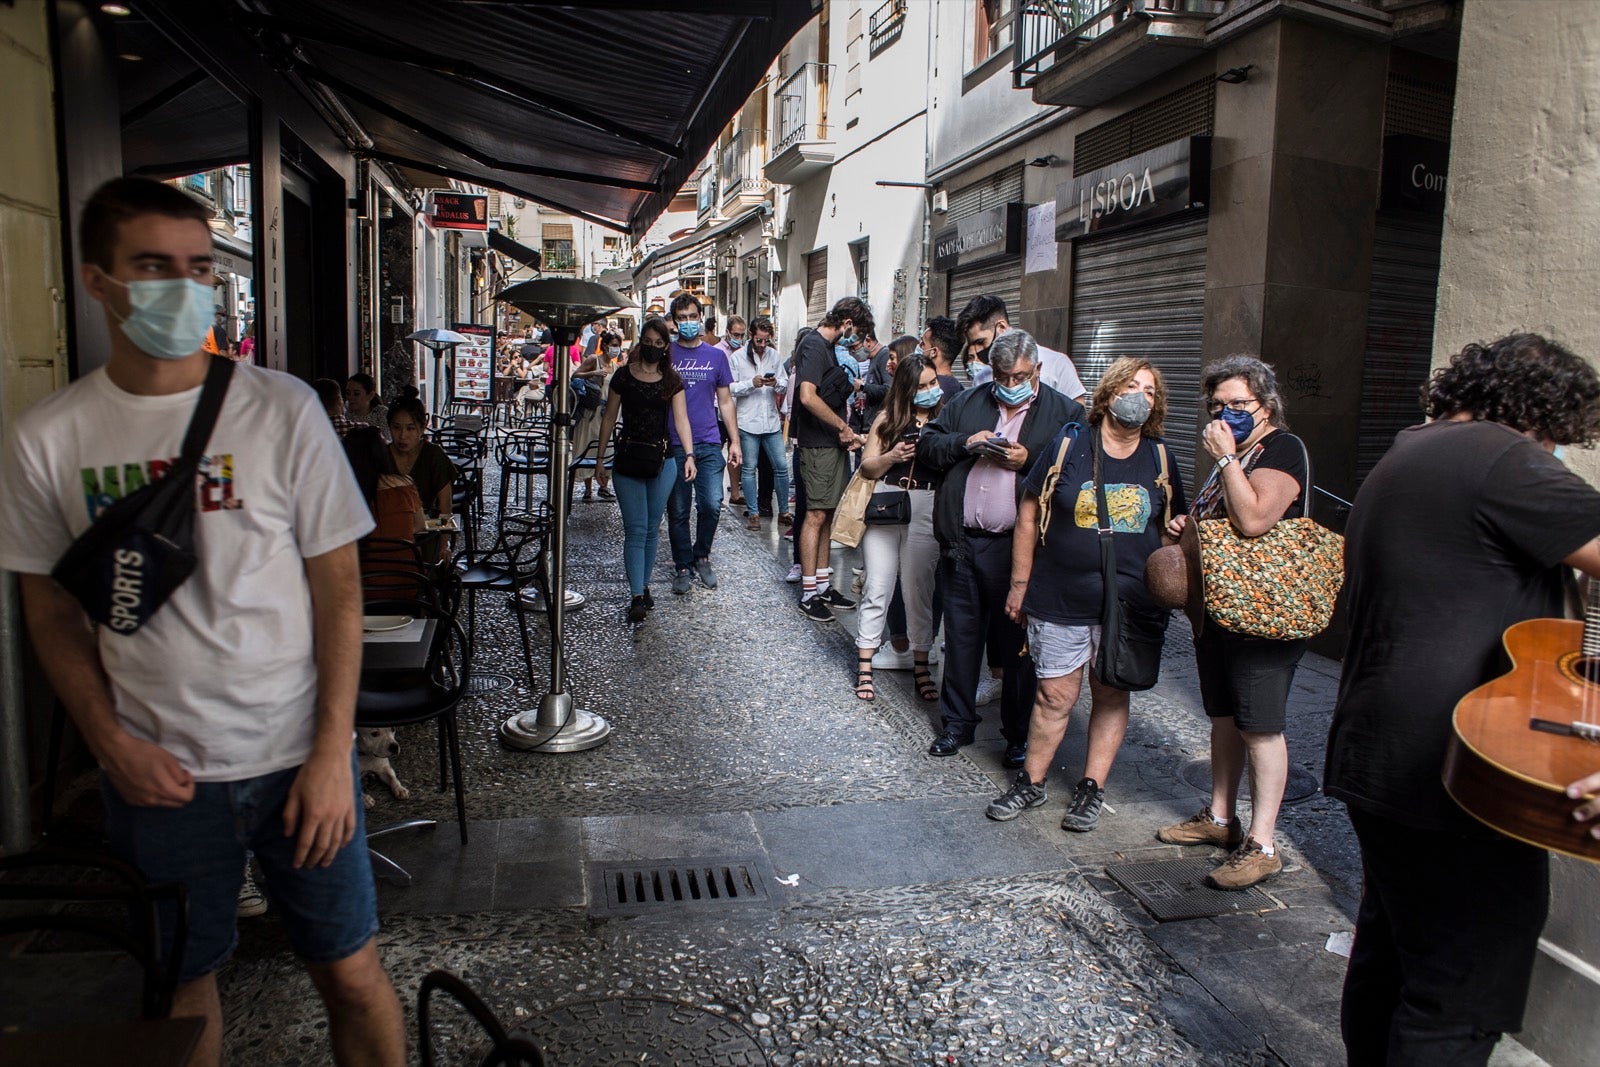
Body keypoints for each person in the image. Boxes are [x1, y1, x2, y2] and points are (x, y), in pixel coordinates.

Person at [0, 176, 404, 1066]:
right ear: (98, 279)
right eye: (153, 266)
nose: (182, 288)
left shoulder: (282, 409)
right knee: (184, 991)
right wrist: (110, 744)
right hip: (160, 771)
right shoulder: (48, 438)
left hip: (297, 752)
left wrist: (335, 754)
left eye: (196, 268)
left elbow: (339, 590)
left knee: (351, 971)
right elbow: (51, 611)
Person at [1325, 333, 1600, 1066]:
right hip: (1462, 769)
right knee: (1458, 994)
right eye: (1558, 437)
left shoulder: (1406, 454)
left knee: (1391, 955)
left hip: (1379, 753)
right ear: (1534, 412)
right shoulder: (1503, 458)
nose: (1557, 454)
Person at [988, 358, 1186, 832]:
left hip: (1131, 603)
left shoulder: (1159, 457)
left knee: (1112, 694)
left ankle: (1091, 787)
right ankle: (1031, 782)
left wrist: (1179, 547)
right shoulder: (1071, 442)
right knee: (1054, 695)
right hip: (1061, 595)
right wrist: (1020, 583)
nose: (1140, 396)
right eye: (1131, 386)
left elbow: (1169, 529)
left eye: (1150, 391)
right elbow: (1030, 512)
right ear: (1109, 392)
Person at [1158, 354, 1308, 890]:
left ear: (1265, 407)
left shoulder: (1280, 449)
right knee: (1223, 716)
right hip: (1221, 611)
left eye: (1237, 404)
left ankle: (1263, 845)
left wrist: (1226, 460)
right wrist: (1186, 525)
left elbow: (1253, 518)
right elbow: (1221, 526)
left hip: (1263, 615)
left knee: (1260, 726)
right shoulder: (1237, 454)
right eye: (1217, 404)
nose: (1225, 413)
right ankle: (1221, 820)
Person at [918, 329, 1085, 760]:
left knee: (1018, 648)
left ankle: (1017, 735)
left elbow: (1079, 479)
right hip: (961, 543)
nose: (1011, 383)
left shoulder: (1064, 412)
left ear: (1038, 371)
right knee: (960, 639)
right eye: (1003, 375)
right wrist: (964, 443)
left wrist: (1029, 460)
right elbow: (929, 447)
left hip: (1019, 552)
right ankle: (957, 725)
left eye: (1020, 376)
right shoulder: (968, 402)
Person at [854, 355, 945, 702]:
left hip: (927, 504)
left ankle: (921, 664)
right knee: (877, 586)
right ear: (906, 389)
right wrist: (892, 457)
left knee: (919, 589)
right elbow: (867, 467)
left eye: (933, 383)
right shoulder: (888, 419)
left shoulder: (944, 419)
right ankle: (865, 663)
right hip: (886, 502)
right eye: (921, 386)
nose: (929, 391)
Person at [598, 318, 697, 623]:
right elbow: (609, 417)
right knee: (636, 529)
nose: (653, 347)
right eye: (649, 341)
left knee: (652, 528)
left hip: (662, 460)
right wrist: (600, 458)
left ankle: (643, 584)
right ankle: (637, 595)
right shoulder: (623, 377)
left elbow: (682, 420)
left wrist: (689, 455)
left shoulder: (672, 380)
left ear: (666, 346)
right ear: (641, 341)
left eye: (659, 343)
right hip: (628, 458)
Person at [794, 297, 873, 622]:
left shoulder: (825, 347)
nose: (856, 341)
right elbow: (807, 396)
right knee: (815, 515)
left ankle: (823, 583)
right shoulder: (814, 345)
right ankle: (809, 592)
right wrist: (842, 426)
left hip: (830, 445)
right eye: (857, 332)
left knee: (826, 513)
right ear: (847, 323)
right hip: (819, 446)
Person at [665, 293, 742, 594]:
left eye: (691, 317)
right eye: (681, 318)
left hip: (709, 441)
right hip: (673, 442)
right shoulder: (666, 355)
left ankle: (702, 554)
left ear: (700, 317)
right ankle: (683, 564)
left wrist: (734, 440)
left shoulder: (716, 356)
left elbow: (725, 401)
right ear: (674, 322)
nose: (687, 323)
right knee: (678, 510)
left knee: (711, 503)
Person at [958, 295, 1088, 404]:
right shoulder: (981, 379)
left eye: (980, 342)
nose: (976, 350)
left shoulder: (1057, 365)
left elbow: (1077, 419)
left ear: (1001, 327)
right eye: (972, 344)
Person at [729, 315, 789, 531]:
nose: (763, 345)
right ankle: (753, 514)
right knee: (749, 468)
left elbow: (784, 381)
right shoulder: (737, 358)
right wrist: (751, 384)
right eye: (759, 340)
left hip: (771, 420)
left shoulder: (774, 355)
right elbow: (729, 388)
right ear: (751, 337)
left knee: (781, 467)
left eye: (766, 340)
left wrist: (776, 383)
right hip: (748, 421)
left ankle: (783, 511)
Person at [342, 425, 425, 543]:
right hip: (405, 558)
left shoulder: (344, 493)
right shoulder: (405, 484)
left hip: (363, 559)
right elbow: (420, 525)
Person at [386, 393, 454, 519]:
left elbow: (445, 504)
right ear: (389, 426)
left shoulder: (434, 455)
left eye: (410, 429)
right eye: (396, 428)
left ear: (422, 428)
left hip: (426, 530)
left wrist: (444, 538)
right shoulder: (382, 455)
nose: (402, 436)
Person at [572, 329, 620, 501]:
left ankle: (604, 486)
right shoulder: (594, 359)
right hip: (592, 412)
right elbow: (575, 375)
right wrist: (592, 373)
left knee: (607, 447)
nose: (616, 349)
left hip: (608, 412)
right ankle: (587, 488)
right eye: (614, 345)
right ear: (605, 346)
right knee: (588, 446)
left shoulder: (616, 366)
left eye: (618, 346)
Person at [919, 316, 966, 402]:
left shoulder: (928, 389)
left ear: (934, 352)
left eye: (922, 343)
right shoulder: (959, 389)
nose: (919, 347)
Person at [344, 372, 389, 440]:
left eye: (356, 394)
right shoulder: (345, 413)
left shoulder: (381, 413)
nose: (350, 397)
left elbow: (387, 440)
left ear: (370, 395)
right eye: (348, 393)